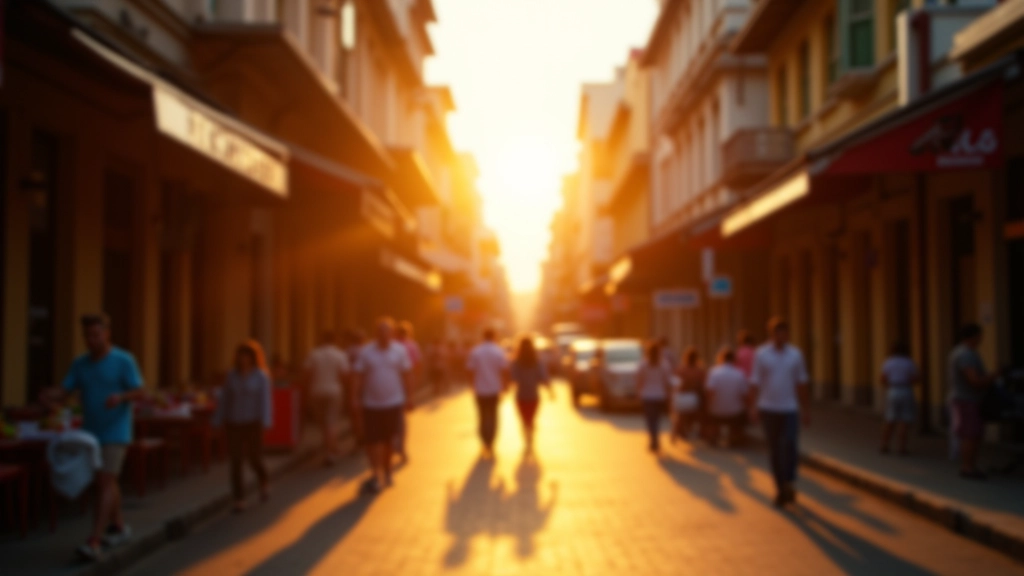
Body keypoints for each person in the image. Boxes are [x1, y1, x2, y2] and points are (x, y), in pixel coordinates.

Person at [43, 314, 145, 561]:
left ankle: (94, 540)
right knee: (106, 482)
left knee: (104, 483)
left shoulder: (123, 360)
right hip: (90, 432)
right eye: (87, 335)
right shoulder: (81, 364)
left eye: (96, 335)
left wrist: (120, 398)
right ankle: (119, 527)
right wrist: (49, 396)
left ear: (107, 333)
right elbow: (65, 390)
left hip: (117, 430)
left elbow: (140, 390)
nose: (91, 340)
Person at [750, 317, 810, 507]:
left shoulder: (795, 355)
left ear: (788, 334)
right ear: (771, 334)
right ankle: (780, 488)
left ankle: (789, 480)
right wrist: (753, 407)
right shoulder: (761, 354)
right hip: (768, 408)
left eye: (784, 332)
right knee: (774, 449)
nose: (781, 336)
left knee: (790, 444)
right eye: (777, 332)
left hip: (790, 408)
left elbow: (801, 384)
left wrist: (806, 409)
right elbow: (755, 382)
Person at [353, 317, 412, 494]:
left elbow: (407, 373)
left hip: (393, 402)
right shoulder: (366, 352)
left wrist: (409, 396)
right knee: (372, 441)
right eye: (380, 331)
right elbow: (358, 375)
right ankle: (375, 473)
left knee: (389, 441)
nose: (384, 335)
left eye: (387, 331)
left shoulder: (399, 351)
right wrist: (354, 397)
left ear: (392, 334)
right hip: (371, 404)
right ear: (375, 333)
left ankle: (387, 469)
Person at [215, 342, 273, 513]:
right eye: (241, 355)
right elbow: (225, 399)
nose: (243, 359)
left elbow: (265, 401)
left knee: (254, 457)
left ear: (253, 358)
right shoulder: (231, 376)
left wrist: (266, 421)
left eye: (246, 355)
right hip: (234, 422)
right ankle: (239, 498)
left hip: (253, 422)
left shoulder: (261, 376)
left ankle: (263, 480)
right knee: (236, 460)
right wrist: (218, 420)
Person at [948, 323, 995, 480]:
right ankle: (968, 467)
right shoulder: (966, 354)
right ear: (975, 336)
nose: (981, 339)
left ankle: (970, 466)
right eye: (980, 335)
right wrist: (994, 376)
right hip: (967, 399)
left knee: (972, 434)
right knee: (971, 434)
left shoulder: (959, 352)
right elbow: (974, 380)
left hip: (964, 398)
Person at [300, 331, 351, 466]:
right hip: (334, 391)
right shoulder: (340, 354)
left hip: (316, 391)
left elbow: (307, 374)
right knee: (331, 422)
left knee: (323, 423)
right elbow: (345, 375)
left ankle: (330, 448)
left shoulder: (314, 354)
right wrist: (345, 389)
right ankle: (330, 452)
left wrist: (306, 390)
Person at [466, 328, 510, 457]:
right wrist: (505, 386)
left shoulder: (476, 351)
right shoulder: (498, 351)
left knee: (482, 416)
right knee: (493, 416)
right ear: (494, 336)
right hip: (494, 390)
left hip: (480, 390)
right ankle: (490, 442)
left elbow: (469, 370)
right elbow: (505, 370)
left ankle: (485, 441)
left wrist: (471, 385)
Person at [509, 337, 553, 454]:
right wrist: (550, 391)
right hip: (534, 396)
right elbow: (544, 378)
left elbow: (513, 379)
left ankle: (527, 440)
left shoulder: (516, 362)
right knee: (531, 420)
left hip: (521, 396)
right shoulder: (537, 361)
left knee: (524, 421)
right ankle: (530, 439)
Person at [705, 347, 751, 447]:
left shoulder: (714, 372)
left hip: (717, 411)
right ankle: (735, 436)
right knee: (740, 412)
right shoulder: (740, 374)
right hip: (735, 412)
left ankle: (714, 435)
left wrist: (708, 407)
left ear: (720, 358)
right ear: (734, 360)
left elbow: (710, 393)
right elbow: (744, 395)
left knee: (712, 413)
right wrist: (748, 409)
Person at [879, 341, 920, 455]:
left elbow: (883, 379)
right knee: (904, 421)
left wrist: (890, 386)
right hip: (905, 390)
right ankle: (901, 448)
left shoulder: (888, 362)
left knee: (889, 419)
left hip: (893, 390)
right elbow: (915, 379)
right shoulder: (909, 363)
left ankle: (884, 444)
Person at [636, 340, 674, 453]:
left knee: (650, 419)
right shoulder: (664, 364)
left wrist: (638, 392)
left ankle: (653, 439)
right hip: (660, 395)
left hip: (647, 395)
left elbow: (639, 380)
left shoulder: (643, 364)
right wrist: (669, 395)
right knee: (656, 419)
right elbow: (668, 381)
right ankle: (655, 439)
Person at [394, 322, 422, 463]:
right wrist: (414, 383)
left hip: (393, 385)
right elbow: (417, 365)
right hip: (406, 385)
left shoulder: (393, 346)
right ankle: (401, 447)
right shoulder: (412, 345)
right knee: (402, 418)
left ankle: (395, 443)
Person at [673, 347, 706, 441]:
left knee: (681, 415)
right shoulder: (700, 371)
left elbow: (675, 385)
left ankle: (677, 433)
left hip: (681, 398)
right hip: (693, 398)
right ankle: (701, 431)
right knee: (701, 411)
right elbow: (704, 386)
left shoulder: (680, 370)